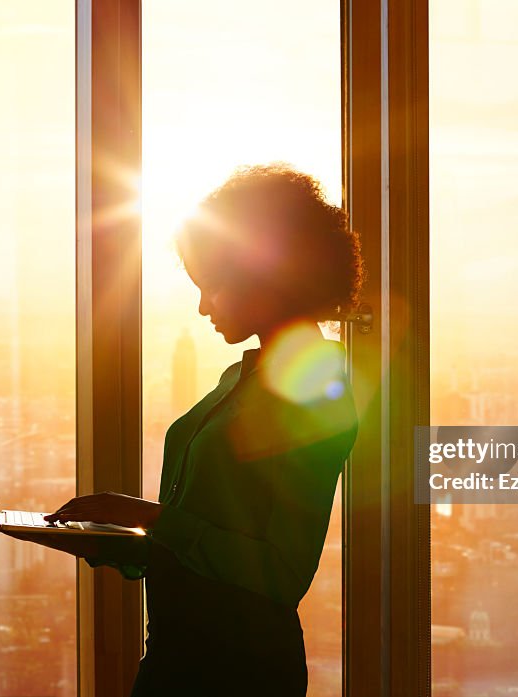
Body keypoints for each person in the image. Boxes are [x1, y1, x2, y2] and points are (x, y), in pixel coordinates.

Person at [35, 164, 362, 696]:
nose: (203, 306)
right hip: (178, 654)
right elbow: (203, 533)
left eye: (212, 286)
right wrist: (110, 535)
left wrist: (150, 519)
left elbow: (281, 572)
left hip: (239, 669)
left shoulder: (312, 394)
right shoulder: (242, 378)